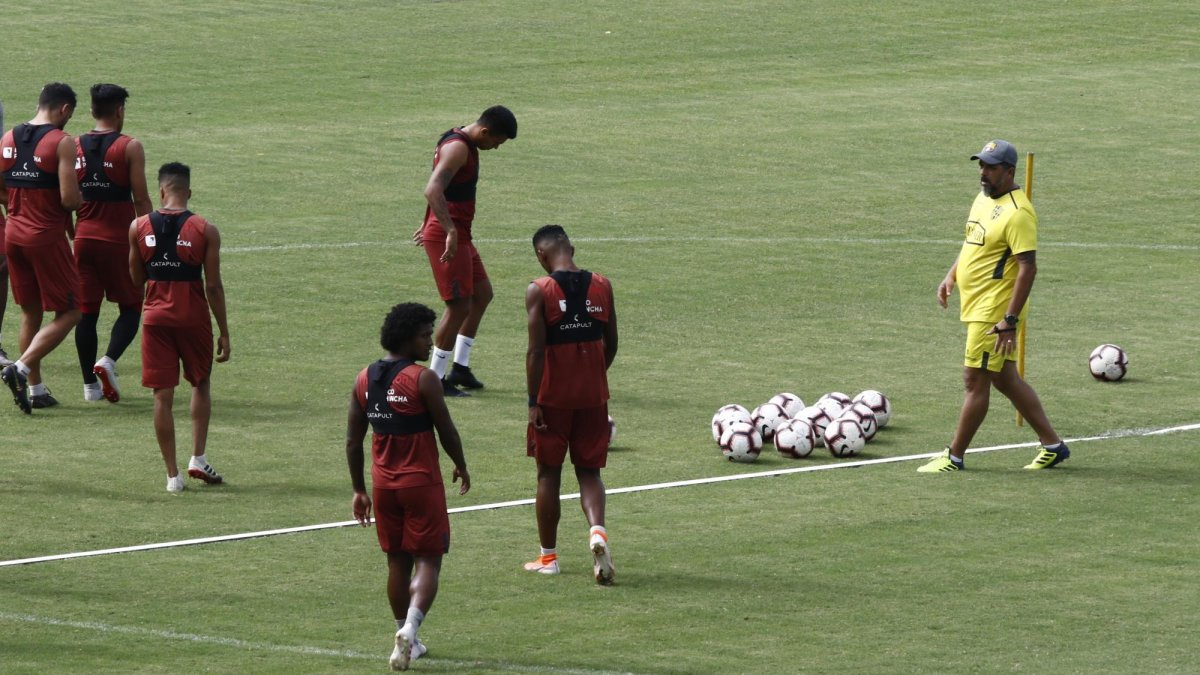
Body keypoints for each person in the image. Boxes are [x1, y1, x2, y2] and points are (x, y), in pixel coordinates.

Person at [919, 140, 1069, 473]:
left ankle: (954, 456)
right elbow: (971, 242)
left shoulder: (1019, 213)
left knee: (975, 381)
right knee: (1004, 379)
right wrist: (951, 275)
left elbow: (1028, 268)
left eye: (991, 167)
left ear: (1009, 172)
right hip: (976, 304)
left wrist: (1009, 320)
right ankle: (1053, 445)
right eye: (981, 165)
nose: (983, 172)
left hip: (994, 312)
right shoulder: (983, 198)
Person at [345, 302, 470, 671]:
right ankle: (411, 629)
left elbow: (352, 441)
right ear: (404, 338)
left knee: (396, 562)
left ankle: (406, 637)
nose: (430, 342)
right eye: (424, 336)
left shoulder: (363, 379)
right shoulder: (423, 379)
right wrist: (461, 465)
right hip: (421, 484)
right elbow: (446, 430)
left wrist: (359, 490)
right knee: (428, 560)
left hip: (384, 487)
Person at [523, 224, 619, 585]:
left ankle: (548, 558)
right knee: (590, 472)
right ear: (572, 249)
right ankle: (597, 531)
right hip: (593, 396)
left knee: (548, 474)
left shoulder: (539, 289)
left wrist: (533, 401)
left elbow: (535, 352)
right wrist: (594, 375)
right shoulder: (603, 285)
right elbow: (612, 342)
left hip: (553, 399)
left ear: (541, 255)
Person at [128, 162, 230, 492]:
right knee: (200, 382)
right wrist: (224, 330)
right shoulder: (205, 230)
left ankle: (172, 476)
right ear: (189, 192)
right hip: (192, 317)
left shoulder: (138, 226)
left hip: (155, 318)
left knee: (162, 395)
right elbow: (213, 286)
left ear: (161, 191)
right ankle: (198, 457)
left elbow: (136, 278)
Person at [411, 105, 517, 398]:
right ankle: (435, 378)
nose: (496, 147)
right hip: (450, 235)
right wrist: (448, 229)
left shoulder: (461, 140)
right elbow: (432, 189)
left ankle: (460, 367)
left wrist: (430, 221)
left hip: (458, 234)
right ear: (484, 131)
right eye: (497, 141)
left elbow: (444, 189)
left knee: (482, 294)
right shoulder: (458, 148)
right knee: (458, 306)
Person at [0, 83, 83, 413]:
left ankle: (35, 389)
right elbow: (69, 199)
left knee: (30, 312)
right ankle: (20, 369)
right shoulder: (62, 142)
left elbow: (1, 189)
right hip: (45, 238)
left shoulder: (8, 138)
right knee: (72, 310)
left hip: (13, 234)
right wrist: (82, 198)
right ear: (64, 110)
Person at [74, 83, 153, 403]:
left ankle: (89, 388)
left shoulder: (73, 145)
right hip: (119, 242)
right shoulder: (129, 147)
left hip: (83, 239)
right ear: (120, 111)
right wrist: (150, 241)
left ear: (92, 111)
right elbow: (142, 200)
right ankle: (107, 360)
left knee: (86, 313)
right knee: (132, 307)